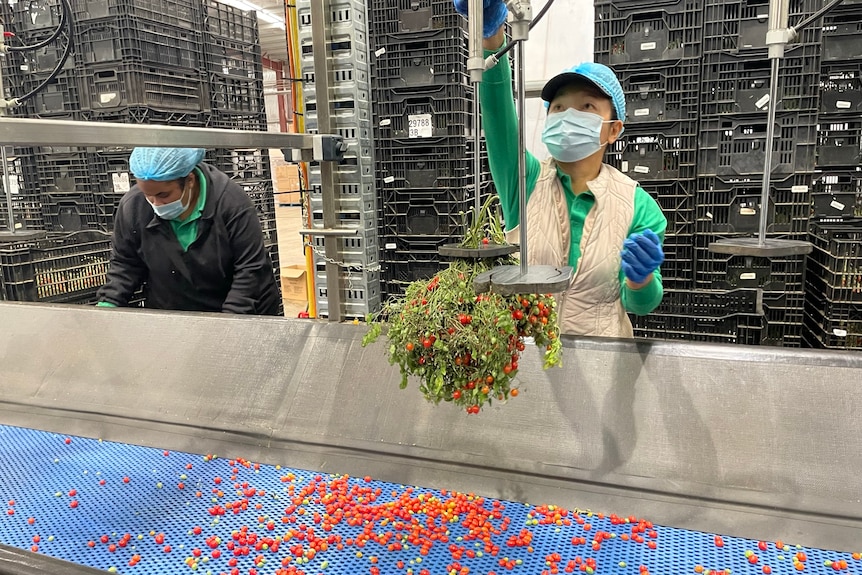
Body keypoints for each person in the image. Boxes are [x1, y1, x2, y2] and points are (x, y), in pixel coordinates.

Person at [453, 0, 668, 339]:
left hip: (604, 362)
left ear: (614, 130)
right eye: (559, 106)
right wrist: (491, 35)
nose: (569, 116)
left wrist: (640, 280)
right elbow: (497, 118)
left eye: (586, 106)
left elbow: (641, 304)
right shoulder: (524, 181)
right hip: (529, 363)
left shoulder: (638, 206)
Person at [96, 147, 281, 315]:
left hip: (238, 309)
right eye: (148, 195)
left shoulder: (231, 203)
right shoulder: (133, 207)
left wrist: (228, 326)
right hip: (176, 313)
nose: (155, 204)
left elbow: (249, 270)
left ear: (190, 180)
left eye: (163, 195)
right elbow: (125, 264)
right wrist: (108, 305)